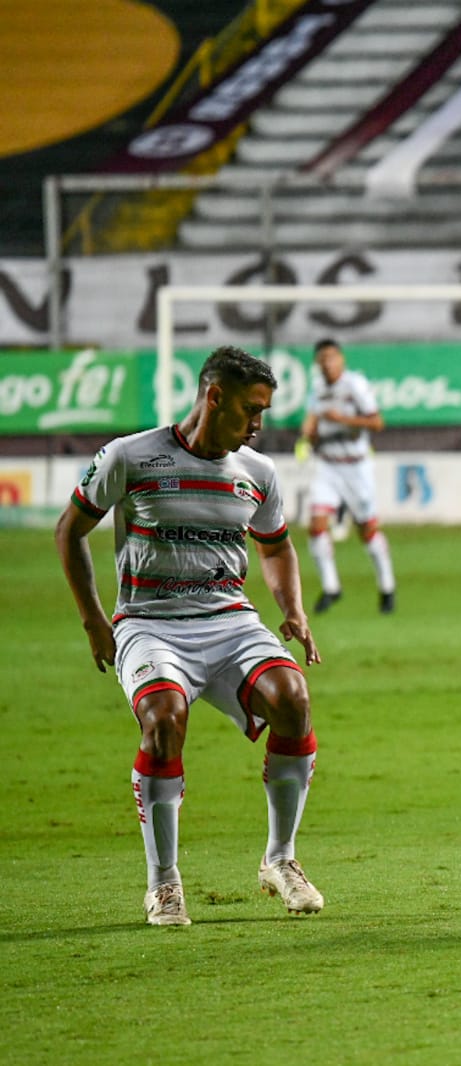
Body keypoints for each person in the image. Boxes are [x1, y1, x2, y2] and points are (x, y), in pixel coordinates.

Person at [55, 346, 324, 926]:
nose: (258, 425)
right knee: (164, 720)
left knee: (293, 700)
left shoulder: (259, 472)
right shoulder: (130, 456)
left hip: (230, 622)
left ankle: (281, 860)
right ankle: (165, 884)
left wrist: (293, 609)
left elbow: (275, 545)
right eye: (251, 411)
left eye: (264, 414)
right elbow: (69, 530)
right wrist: (94, 621)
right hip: (150, 624)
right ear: (214, 396)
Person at [297, 338, 397, 614]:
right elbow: (312, 420)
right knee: (316, 524)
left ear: (341, 359)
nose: (328, 363)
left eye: (332, 357)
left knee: (367, 532)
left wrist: (343, 420)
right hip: (329, 466)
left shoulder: (355, 385)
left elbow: (377, 421)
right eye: (322, 359)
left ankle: (387, 587)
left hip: (357, 467)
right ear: (317, 363)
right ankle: (331, 587)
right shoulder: (317, 389)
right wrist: (308, 436)